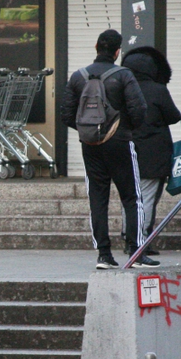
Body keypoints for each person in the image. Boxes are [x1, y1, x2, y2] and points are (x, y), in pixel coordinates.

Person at [60, 28, 158, 269]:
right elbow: (139, 109)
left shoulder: (78, 77)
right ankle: (136, 253)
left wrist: (90, 131)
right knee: (132, 198)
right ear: (117, 52)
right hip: (120, 142)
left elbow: (66, 115)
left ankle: (104, 255)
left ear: (96, 47)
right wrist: (124, 130)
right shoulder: (124, 75)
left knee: (97, 197)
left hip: (90, 144)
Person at [120, 46, 181, 256]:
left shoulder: (119, 87)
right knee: (146, 198)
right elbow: (174, 116)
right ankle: (139, 240)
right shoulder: (157, 90)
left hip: (123, 150)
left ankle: (128, 237)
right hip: (152, 154)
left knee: (128, 197)